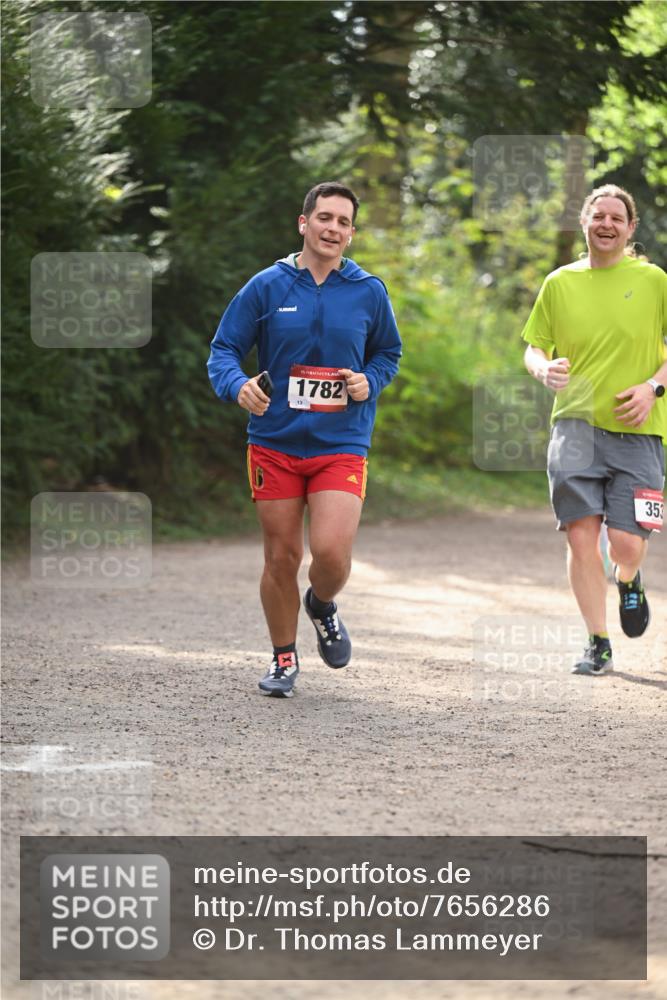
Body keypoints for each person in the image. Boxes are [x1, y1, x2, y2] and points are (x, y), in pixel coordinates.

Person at [207, 181, 402, 696]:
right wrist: (238, 385)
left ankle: (320, 604)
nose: (333, 228)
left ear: (351, 233)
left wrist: (369, 381)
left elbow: (388, 355)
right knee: (280, 557)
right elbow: (223, 350)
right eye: (324, 218)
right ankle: (283, 657)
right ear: (304, 223)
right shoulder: (267, 287)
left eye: (343, 222)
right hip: (274, 440)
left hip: (342, 442)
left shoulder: (368, 291)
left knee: (332, 554)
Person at [522, 183, 666, 675]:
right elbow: (533, 346)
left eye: (616, 218)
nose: (606, 224)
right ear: (584, 222)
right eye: (597, 215)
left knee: (626, 543)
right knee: (581, 535)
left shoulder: (653, 281)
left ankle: (629, 577)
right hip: (575, 424)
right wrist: (543, 369)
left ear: (629, 228)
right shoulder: (560, 283)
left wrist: (653, 387)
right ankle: (597, 642)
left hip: (640, 427)